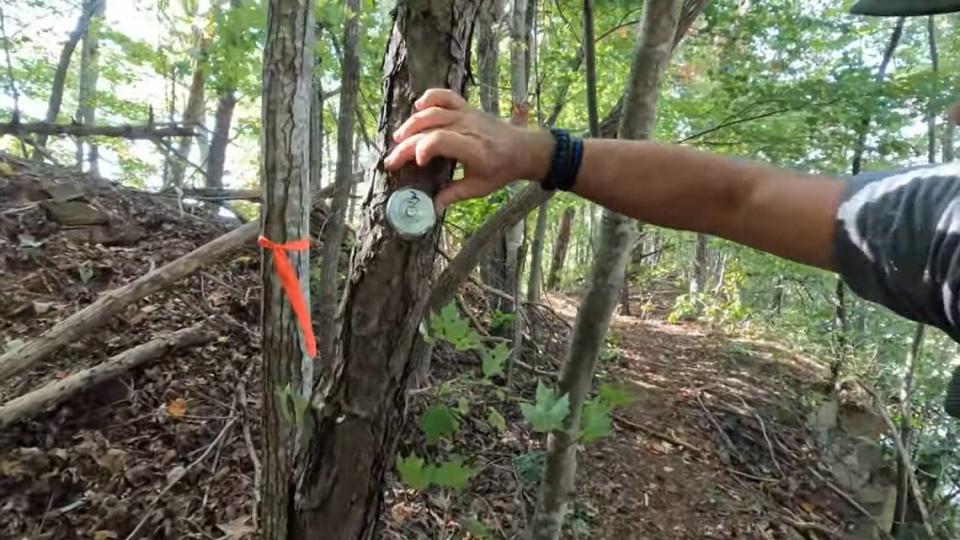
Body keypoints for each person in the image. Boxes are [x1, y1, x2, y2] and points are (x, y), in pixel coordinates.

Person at [382, 86, 960, 418]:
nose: (954, 114)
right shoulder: (941, 221)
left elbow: (737, 200)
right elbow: (736, 198)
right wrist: (533, 153)